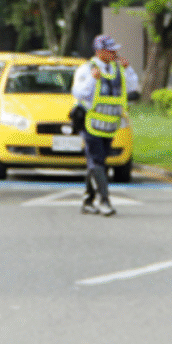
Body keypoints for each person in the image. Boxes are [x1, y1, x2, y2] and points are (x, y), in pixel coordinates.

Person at [70, 34, 139, 216]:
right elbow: (79, 93)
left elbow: (132, 87)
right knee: (97, 160)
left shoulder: (118, 69)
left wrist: (128, 69)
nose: (115, 52)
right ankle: (104, 200)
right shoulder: (86, 69)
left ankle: (87, 200)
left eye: (115, 49)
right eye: (110, 50)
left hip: (110, 124)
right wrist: (94, 79)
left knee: (98, 162)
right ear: (99, 52)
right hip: (90, 122)